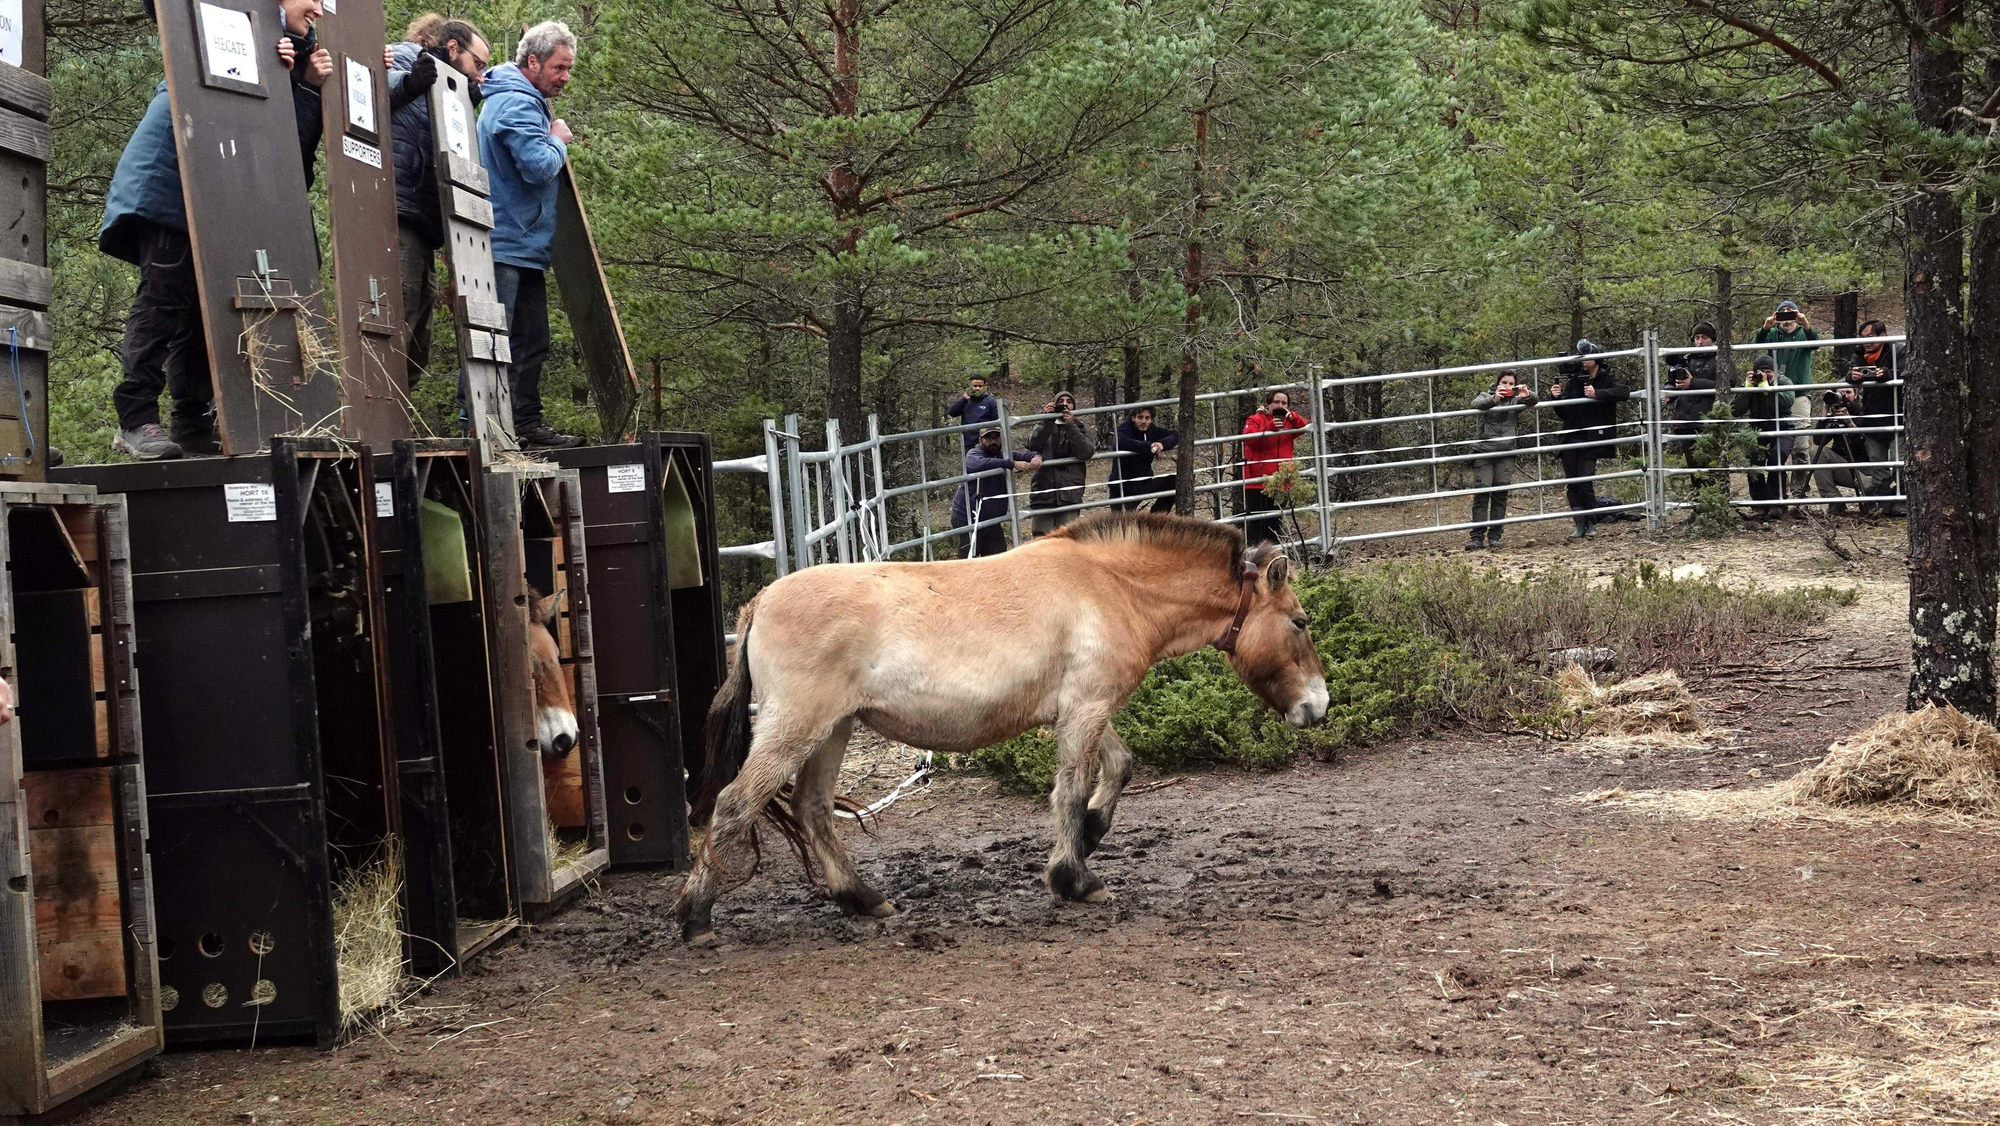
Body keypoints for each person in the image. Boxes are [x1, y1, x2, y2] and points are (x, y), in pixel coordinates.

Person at [99, 0, 332, 460]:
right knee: (162, 300)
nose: (320, 10)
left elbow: (291, 163)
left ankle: (190, 419)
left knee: (204, 311)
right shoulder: (222, 15)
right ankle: (136, 418)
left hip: (225, 194)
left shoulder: (298, 54)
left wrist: (304, 86)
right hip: (174, 174)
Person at [477, 20, 583, 450]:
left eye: (569, 69)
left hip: (520, 244)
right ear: (533, 61)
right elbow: (538, 166)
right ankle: (489, 429)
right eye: (559, 67)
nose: (565, 77)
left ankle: (522, 426)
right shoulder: (517, 104)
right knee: (501, 342)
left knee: (529, 340)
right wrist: (557, 140)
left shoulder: (519, 100)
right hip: (508, 243)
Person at [387, 16, 491, 390]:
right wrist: (410, 82)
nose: (480, 74)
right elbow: (367, 87)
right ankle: (378, 430)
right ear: (452, 49)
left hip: (426, 222)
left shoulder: (451, 90)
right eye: (477, 64)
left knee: (418, 342)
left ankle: (396, 425)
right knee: (394, 324)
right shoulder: (403, 58)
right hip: (397, 210)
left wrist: (465, 102)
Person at [1549, 341, 1630, 539]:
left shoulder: (1606, 378)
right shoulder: (1575, 380)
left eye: (1587, 357)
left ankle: (1592, 521)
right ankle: (1579, 523)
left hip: (1592, 437)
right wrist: (1556, 399)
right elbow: (1565, 413)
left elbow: (1624, 391)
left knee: (1586, 479)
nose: (1583, 361)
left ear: (1597, 360)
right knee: (1572, 482)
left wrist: (1597, 394)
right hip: (1571, 435)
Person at [1466, 370, 1537, 550]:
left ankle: (1495, 536)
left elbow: (1535, 400)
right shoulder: (1486, 396)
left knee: (1500, 495)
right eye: (1504, 382)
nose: (1507, 386)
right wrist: (1495, 400)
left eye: (1511, 383)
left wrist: (1526, 394)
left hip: (1506, 452)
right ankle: (1476, 536)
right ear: (1497, 383)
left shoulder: (1515, 398)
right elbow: (1475, 404)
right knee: (1482, 493)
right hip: (1484, 452)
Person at [949, 426, 1038, 558]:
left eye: (996, 437)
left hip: (992, 519)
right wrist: (1011, 464)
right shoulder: (974, 453)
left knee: (998, 558)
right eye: (988, 438)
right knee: (968, 560)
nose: (993, 441)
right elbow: (977, 464)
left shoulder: (1004, 453)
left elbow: (1027, 455)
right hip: (968, 517)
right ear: (980, 440)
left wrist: (1036, 457)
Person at [1753, 299, 1822, 465]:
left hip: (1799, 394)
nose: (1786, 315)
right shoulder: (1773, 333)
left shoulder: (1803, 333)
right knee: (1776, 444)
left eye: (1790, 311)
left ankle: (1799, 490)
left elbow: (1815, 344)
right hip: (1776, 393)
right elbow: (1756, 344)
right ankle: (1780, 485)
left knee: (1800, 446)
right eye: (1782, 311)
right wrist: (1766, 326)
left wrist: (1805, 323)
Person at [1851, 320, 1906, 517]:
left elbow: (1907, 373)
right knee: (1877, 462)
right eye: (1863, 337)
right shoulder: (1859, 354)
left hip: (1897, 415)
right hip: (1872, 416)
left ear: (1883, 336)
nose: (1866, 342)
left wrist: (1888, 374)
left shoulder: (1898, 350)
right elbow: (1850, 374)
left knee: (1900, 460)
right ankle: (1884, 500)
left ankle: (1902, 499)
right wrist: (1854, 376)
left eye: (1870, 337)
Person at [1240, 390, 1308, 545]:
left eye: (1284, 403)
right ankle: (1255, 560)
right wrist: (1269, 428)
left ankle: (1275, 560)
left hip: (1281, 481)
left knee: (1275, 524)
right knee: (1256, 525)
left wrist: (1292, 416)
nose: (1280, 406)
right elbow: (1249, 440)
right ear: (1268, 404)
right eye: (1276, 402)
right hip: (1257, 481)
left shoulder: (1289, 422)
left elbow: (1304, 427)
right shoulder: (1255, 419)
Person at [1026, 391, 1093, 534]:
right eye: (1060, 401)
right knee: (1041, 539)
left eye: (1069, 401)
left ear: (1074, 407)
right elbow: (1032, 445)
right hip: (1043, 491)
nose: (1064, 404)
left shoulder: (1080, 428)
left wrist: (1070, 426)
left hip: (1069, 493)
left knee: (1067, 539)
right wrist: (1046, 420)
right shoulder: (1044, 424)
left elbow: (1086, 452)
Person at [1734, 355, 1791, 518]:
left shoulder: (1784, 382)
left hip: (1783, 428)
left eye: (1768, 371)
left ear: (1775, 371)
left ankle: (1778, 503)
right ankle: (1759, 504)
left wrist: (1769, 388)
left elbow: (1788, 402)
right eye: (1761, 372)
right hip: (1757, 429)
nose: (1764, 375)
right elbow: (1736, 410)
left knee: (1776, 460)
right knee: (1754, 463)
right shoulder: (1753, 384)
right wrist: (1747, 389)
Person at [1811, 385, 1869, 515]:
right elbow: (1818, 441)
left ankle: (1872, 501)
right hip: (1843, 468)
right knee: (1815, 451)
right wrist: (1825, 413)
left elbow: (1865, 444)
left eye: (1848, 392)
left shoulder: (1864, 412)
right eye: (1840, 393)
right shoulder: (1835, 416)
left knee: (1871, 490)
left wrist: (1850, 424)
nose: (1845, 396)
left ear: (1856, 394)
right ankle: (1834, 501)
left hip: (1864, 471)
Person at [1109, 406, 1180, 513]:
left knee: (1174, 481)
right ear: (1133, 418)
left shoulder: (1151, 430)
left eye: (1147, 418)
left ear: (1151, 420)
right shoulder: (1124, 429)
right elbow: (1121, 442)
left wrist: (1162, 445)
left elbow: (1176, 435)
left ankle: (1156, 519)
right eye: (1140, 417)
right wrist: (1150, 447)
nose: (1143, 421)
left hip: (1144, 482)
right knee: (1121, 523)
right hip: (1123, 486)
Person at [946, 376, 1002, 449]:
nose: (977, 388)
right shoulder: (965, 401)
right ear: (970, 386)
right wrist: (964, 400)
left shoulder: (990, 402)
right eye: (975, 386)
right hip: (968, 443)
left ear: (984, 387)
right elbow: (952, 413)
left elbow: (997, 422)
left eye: (980, 386)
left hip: (986, 443)